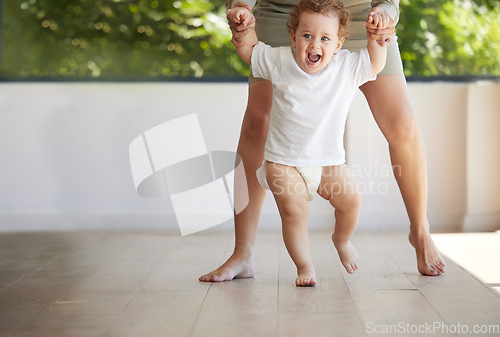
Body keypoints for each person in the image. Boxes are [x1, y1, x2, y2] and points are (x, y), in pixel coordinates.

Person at [199, 0, 446, 282]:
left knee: (401, 122)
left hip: (363, 17)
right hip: (286, 11)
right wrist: (240, 8)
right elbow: (248, 49)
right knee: (258, 121)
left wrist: (385, 14)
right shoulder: (282, 51)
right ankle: (242, 253)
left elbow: (376, 54)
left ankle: (420, 229)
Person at [224, 0, 388, 286]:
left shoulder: (346, 67)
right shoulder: (279, 61)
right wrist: (243, 27)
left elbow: (375, 62)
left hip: (327, 163)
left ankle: (342, 239)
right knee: (295, 211)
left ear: (338, 44)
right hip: (282, 163)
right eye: (307, 36)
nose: (315, 44)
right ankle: (304, 266)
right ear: (293, 37)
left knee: (351, 201)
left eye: (325, 38)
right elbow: (249, 50)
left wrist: (377, 38)